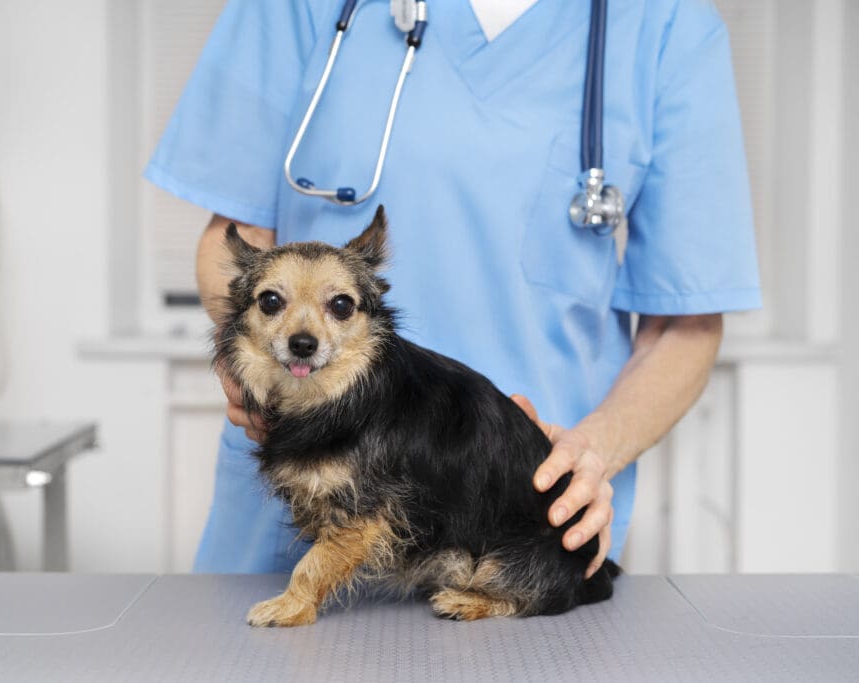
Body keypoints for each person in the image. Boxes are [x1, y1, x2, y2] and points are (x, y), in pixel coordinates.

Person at [144, 0, 761, 576]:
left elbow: (685, 324)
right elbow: (234, 237)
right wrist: (246, 368)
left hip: (510, 501)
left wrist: (591, 452)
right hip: (306, 483)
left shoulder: (664, 23)